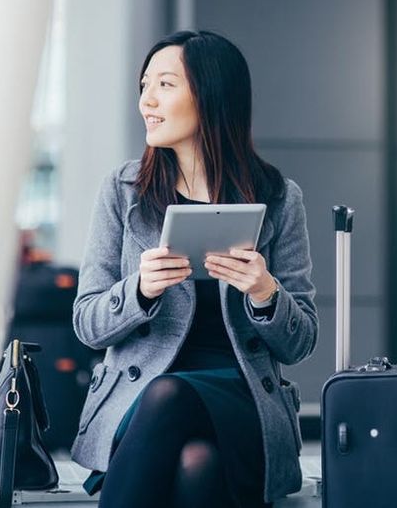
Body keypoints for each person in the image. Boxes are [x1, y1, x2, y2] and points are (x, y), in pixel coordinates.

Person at [70, 30, 318, 508]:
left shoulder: (278, 197)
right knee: (195, 462)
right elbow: (87, 324)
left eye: (165, 85)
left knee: (171, 395)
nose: (147, 101)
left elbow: (301, 341)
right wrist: (139, 291)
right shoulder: (123, 191)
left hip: (241, 398)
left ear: (211, 95)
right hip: (141, 407)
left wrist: (266, 294)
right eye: (144, 85)